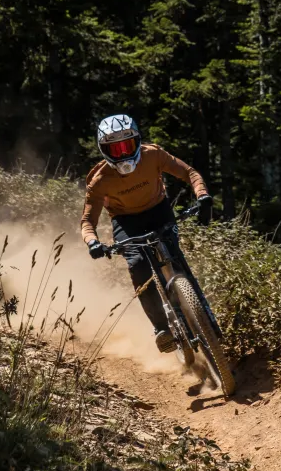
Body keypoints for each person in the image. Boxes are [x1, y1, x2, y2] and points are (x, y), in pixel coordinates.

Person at [81, 114, 214, 353]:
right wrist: (93, 242)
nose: (122, 154)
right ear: (104, 150)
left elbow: (189, 173)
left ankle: (201, 311)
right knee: (139, 266)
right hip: (126, 222)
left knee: (175, 254)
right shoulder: (99, 180)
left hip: (158, 210)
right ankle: (161, 328)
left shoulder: (153, 155)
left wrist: (202, 195)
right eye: (115, 148)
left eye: (127, 145)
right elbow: (87, 221)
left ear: (137, 141)